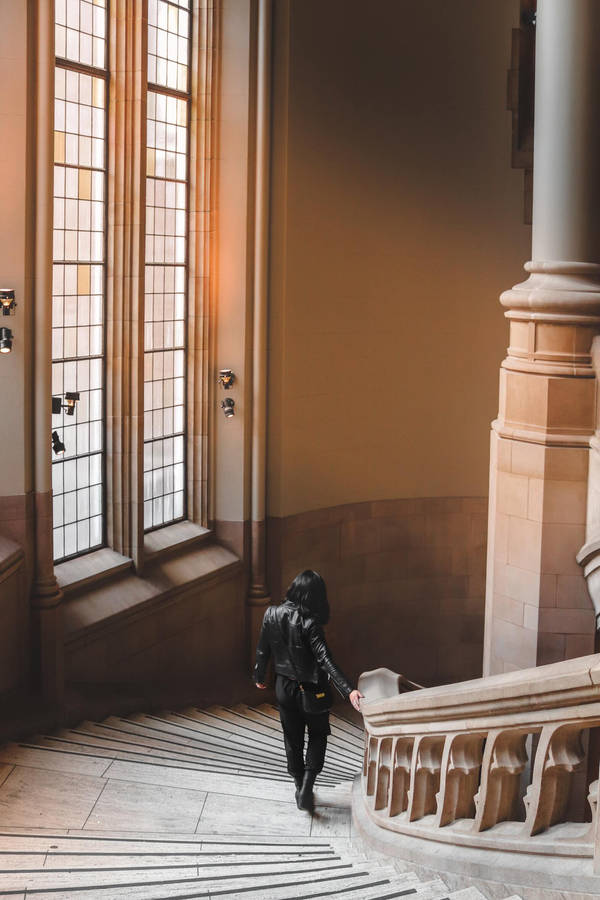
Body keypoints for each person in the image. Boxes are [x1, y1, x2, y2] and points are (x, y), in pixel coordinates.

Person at [254, 569, 364, 812]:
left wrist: (259, 676)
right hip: (313, 690)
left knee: (291, 739)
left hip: (284, 687)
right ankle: (307, 785)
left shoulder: (270, 614)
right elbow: (325, 659)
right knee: (317, 734)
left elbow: (263, 650)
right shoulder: (310, 623)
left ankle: (297, 785)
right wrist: (349, 690)